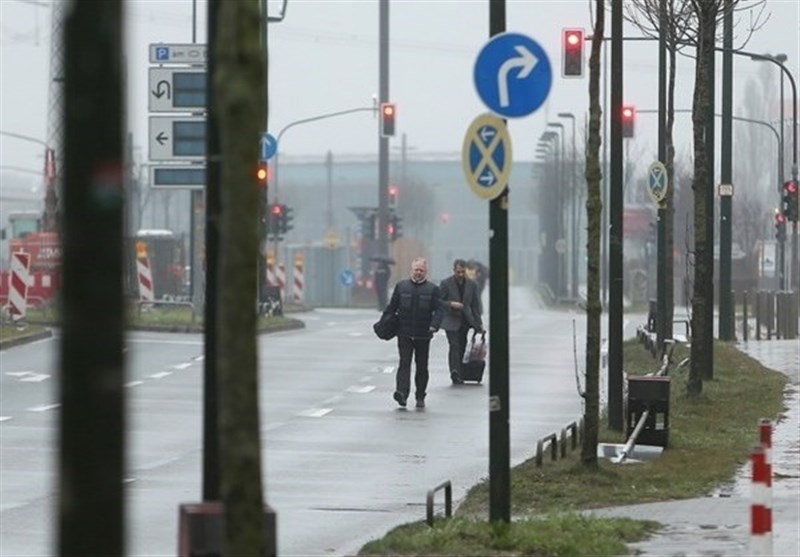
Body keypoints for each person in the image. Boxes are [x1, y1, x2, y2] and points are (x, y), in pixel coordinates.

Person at [381, 257, 444, 409]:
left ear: (425, 272)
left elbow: (440, 310)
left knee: (421, 366)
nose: (418, 273)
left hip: (423, 334)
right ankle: (402, 393)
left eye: (421, 270)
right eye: (416, 270)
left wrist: (434, 325)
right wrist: (384, 322)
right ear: (411, 270)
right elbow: (392, 307)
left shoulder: (433, 289)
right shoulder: (401, 287)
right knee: (404, 364)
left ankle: (420, 395)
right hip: (404, 333)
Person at [440, 259, 483, 384]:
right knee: (454, 345)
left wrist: (478, 324)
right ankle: (454, 372)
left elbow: (475, 306)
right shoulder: (445, 283)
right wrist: (451, 304)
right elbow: (438, 302)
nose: (460, 274)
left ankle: (459, 371)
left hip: (465, 320)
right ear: (454, 270)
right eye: (458, 272)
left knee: (462, 345)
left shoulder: (472, 285)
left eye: (463, 272)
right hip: (450, 320)